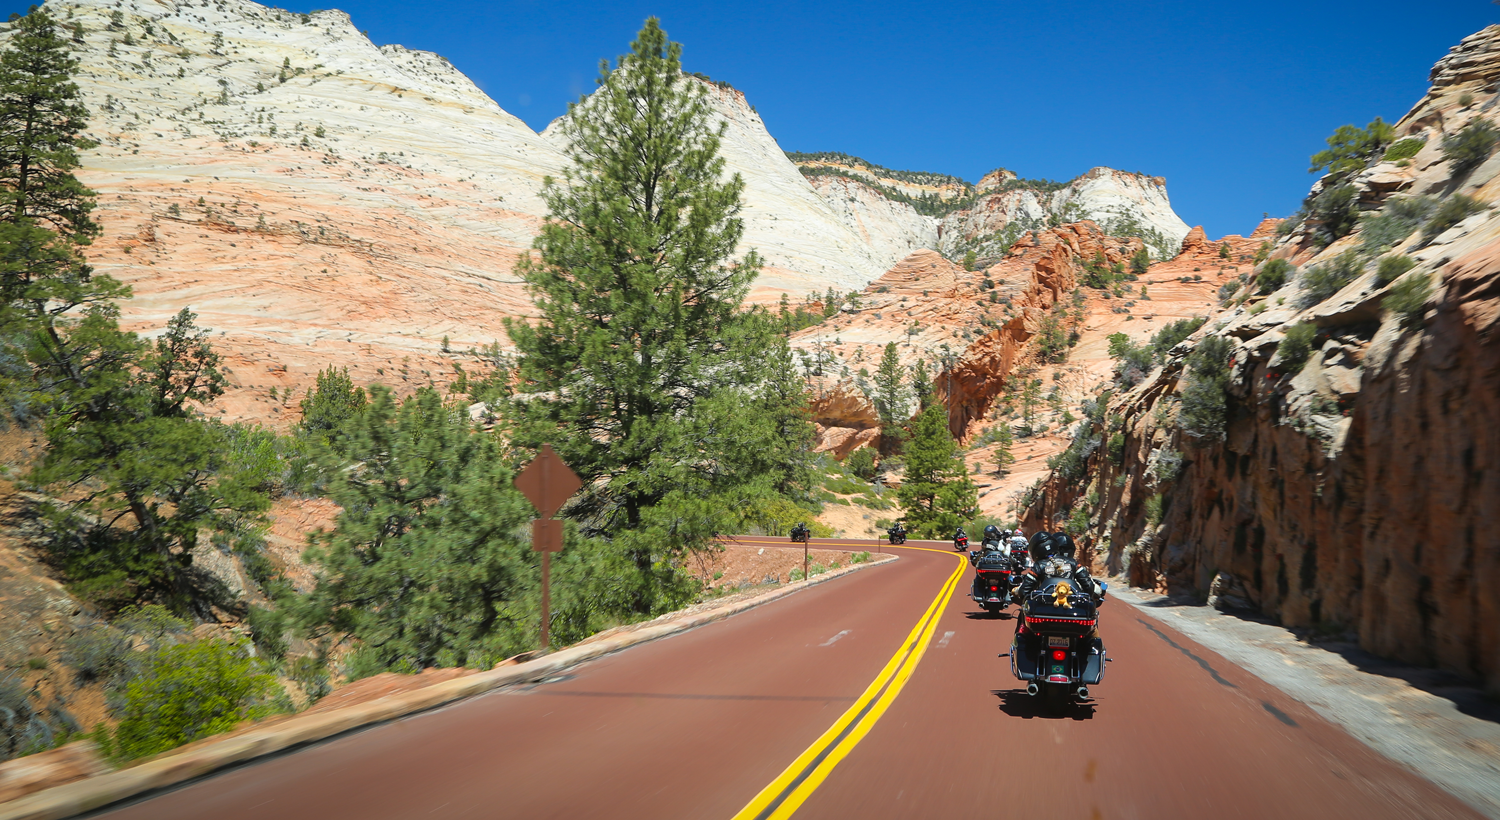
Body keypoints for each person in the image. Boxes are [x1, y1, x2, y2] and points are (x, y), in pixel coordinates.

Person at [1013, 531, 1104, 604]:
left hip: (1045, 608)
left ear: (1035, 551)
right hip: (1071, 607)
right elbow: (1088, 586)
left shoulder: (1038, 566)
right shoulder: (1073, 563)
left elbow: (1024, 591)